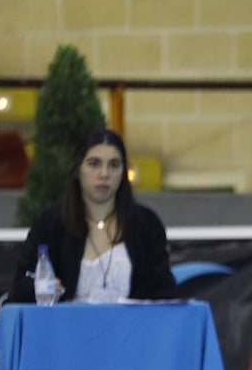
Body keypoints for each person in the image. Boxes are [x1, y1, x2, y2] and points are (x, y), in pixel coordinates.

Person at [9, 128, 176, 304]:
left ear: (123, 172)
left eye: (114, 165)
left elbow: (164, 292)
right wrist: (39, 288)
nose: (104, 174)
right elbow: (19, 288)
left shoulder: (146, 224)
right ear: (77, 169)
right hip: (66, 329)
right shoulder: (51, 222)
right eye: (94, 164)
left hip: (131, 329)